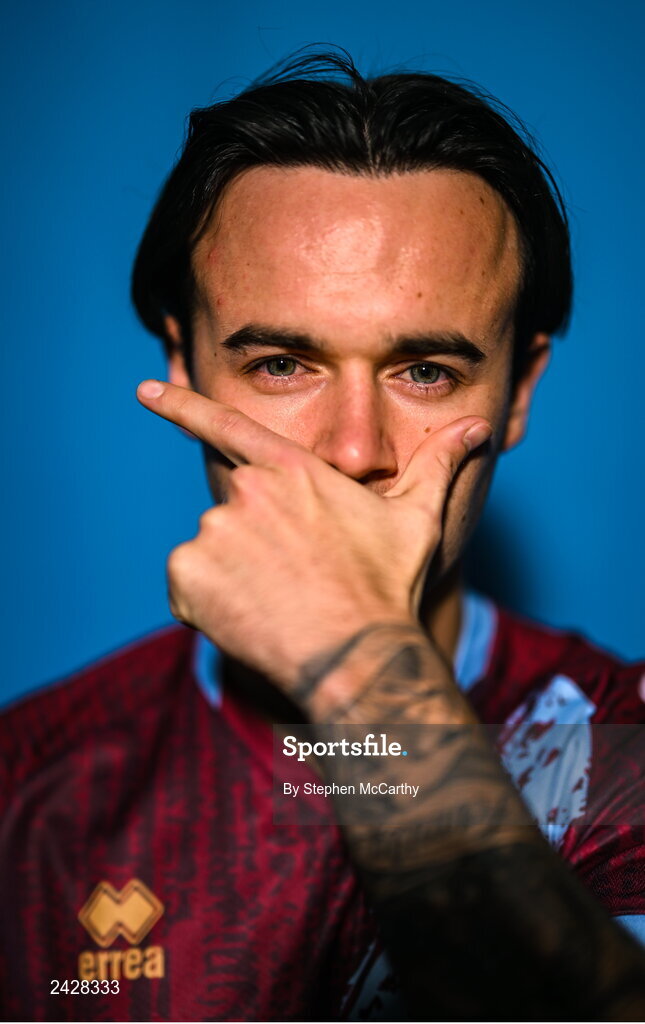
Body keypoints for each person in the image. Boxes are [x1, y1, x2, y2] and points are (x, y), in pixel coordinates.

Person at [1, 49, 644, 1022]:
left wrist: (354, 662)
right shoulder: (27, 782)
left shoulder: (621, 745)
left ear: (520, 389)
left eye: (425, 370)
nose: (351, 453)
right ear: (183, 363)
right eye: (281, 365)